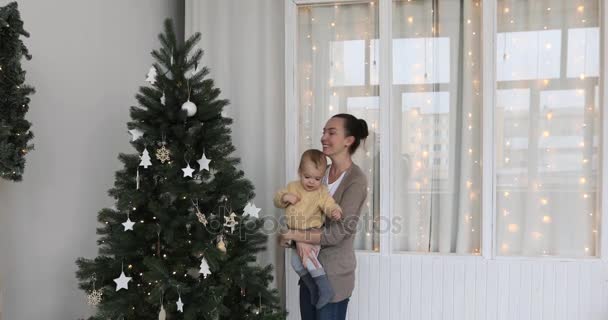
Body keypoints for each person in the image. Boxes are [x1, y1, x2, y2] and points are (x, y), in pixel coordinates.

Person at [279, 113, 369, 320]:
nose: (323, 137)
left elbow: (338, 233)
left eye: (331, 132)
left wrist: (299, 235)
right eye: (323, 132)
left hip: (335, 278)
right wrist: (296, 236)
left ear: (349, 140)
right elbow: (295, 215)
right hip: (309, 274)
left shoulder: (356, 180)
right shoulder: (318, 174)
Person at [273, 149, 343, 309]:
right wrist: (285, 197)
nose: (311, 182)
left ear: (322, 177)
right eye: (307, 177)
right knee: (295, 264)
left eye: (317, 178)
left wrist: (334, 210)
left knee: (308, 261)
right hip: (293, 234)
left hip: (311, 233)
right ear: (300, 172)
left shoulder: (321, 192)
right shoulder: (292, 187)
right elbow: (277, 198)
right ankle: (313, 287)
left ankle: (325, 289)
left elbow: (329, 203)